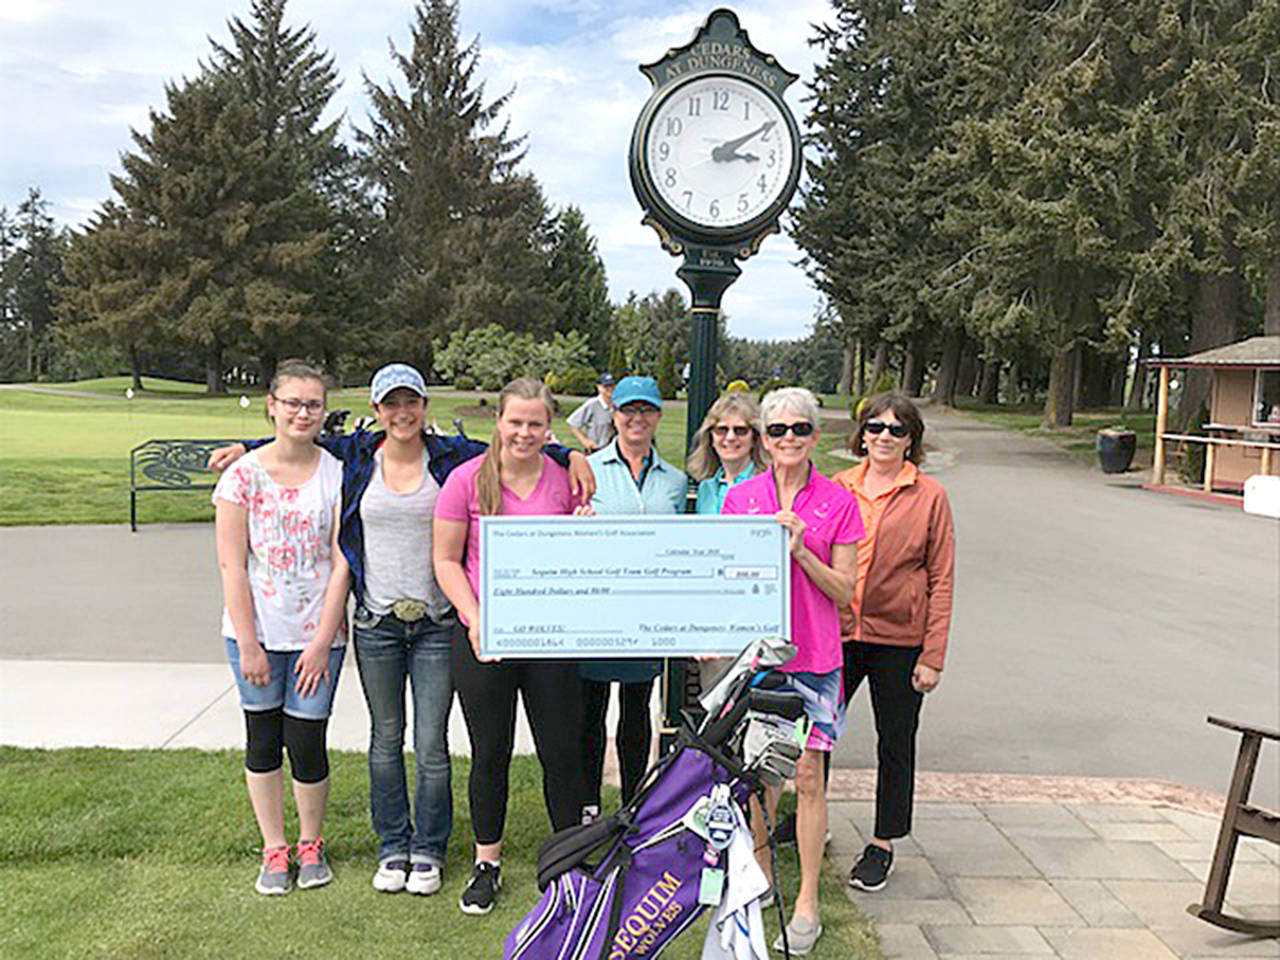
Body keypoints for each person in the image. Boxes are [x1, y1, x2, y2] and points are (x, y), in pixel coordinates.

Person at [208, 364, 595, 898]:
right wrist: (244, 445)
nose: (402, 412)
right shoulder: (358, 456)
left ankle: (429, 850)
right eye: (391, 403)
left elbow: (513, 443)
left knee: (432, 744)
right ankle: (393, 846)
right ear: (377, 409)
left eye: (411, 402)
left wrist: (569, 453)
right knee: (385, 740)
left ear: (424, 407)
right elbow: (299, 432)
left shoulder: (450, 458)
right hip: (376, 623)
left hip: (437, 624)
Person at [433, 377, 591, 916]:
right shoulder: (466, 480)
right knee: (491, 752)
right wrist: (474, 618)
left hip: (550, 635)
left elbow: (579, 562)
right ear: (498, 422)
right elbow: (445, 560)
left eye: (535, 423)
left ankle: (567, 863)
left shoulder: (565, 480)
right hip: (484, 636)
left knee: (561, 752)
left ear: (550, 428)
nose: (524, 432)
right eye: (515, 421)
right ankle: (487, 862)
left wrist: (584, 532)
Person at [721, 386, 863, 955]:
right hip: (760, 661)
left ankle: (806, 901)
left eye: (798, 429)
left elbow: (847, 591)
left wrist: (803, 551)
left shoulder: (838, 501)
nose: (787, 440)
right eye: (776, 430)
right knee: (760, 781)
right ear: (763, 437)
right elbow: (723, 579)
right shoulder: (742, 497)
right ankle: (759, 886)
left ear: (815, 436)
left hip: (817, 661)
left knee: (808, 779)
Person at [212, 360, 350, 896]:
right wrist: (249, 644)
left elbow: (342, 560)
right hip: (255, 634)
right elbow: (231, 565)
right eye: (292, 402)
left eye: (313, 404)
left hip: (318, 635)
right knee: (263, 740)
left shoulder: (336, 473)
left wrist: (321, 642)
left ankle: (311, 843)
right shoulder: (241, 476)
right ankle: (275, 847)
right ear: (271, 404)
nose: (302, 412)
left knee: (308, 740)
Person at [833, 393, 954, 893]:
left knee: (895, 742)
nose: (884, 436)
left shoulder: (929, 496)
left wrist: (933, 655)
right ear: (861, 434)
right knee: (811, 737)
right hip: (836, 633)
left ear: (912, 440)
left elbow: (941, 577)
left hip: (898, 638)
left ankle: (882, 843)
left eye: (897, 430)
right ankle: (806, 823)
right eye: (876, 427)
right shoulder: (839, 487)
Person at [581, 375, 686, 815]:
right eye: (628, 410)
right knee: (590, 710)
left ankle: (632, 801)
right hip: (598, 610)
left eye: (645, 410)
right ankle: (587, 803)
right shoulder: (588, 469)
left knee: (637, 707)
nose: (636, 419)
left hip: (647, 613)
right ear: (614, 415)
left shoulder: (675, 481)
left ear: (658, 416)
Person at [686, 389, 768, 686]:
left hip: (757, 621)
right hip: (714, 622)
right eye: (721, 430)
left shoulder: (768, 486)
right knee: (717, 712)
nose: (729, 438)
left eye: (740, 430)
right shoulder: (707, 489)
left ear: (755, 437)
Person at [566, 373, 617, 453]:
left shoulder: (617, 405)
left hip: (614, 451)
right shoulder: (593, 404)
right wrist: (585, 441)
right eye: (606, 386)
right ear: (599, 387)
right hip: (596, 450)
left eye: (612, 386)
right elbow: (572, 423)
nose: (610, 389)